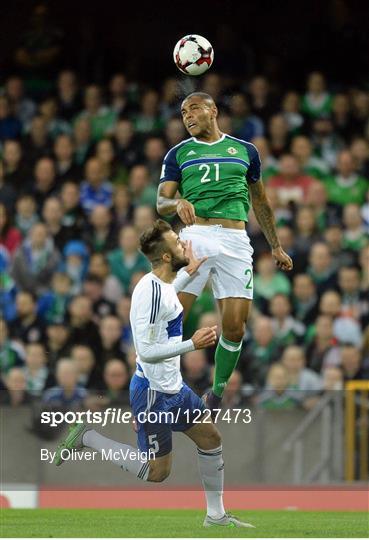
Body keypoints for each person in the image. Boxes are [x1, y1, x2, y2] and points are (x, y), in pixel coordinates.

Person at [54, 219, 253, 528]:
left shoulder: (161, 285)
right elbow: (145, 352)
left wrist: (190, 271)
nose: (184, 244)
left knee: (211, 438)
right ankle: (87, 437)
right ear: (165, 257)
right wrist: (192, 344)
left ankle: (216, 516)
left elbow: (168, 297)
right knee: (157, 472)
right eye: (177, 242)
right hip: (153, 394)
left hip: (174, 387)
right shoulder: (149, 292)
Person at [157, 92, 293, 412]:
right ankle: (156, 387)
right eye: (182, 112)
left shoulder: (246, 151)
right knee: (170, 316)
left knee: (235, 326)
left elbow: (260, 200)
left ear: (213, 111)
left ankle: (216, 394)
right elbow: (161, 203)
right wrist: (177, 202)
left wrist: (275, 245)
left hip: (235, 239)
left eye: (194, 109)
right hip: (195, 236)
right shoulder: (178, 154)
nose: (187, 116)